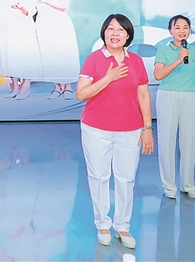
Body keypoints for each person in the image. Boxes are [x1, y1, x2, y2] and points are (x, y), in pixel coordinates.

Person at [76, 13, 153, 250]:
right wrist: (108, 78)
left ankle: (122, 226)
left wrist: (148, 127)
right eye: (111, 28)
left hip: (130, 129)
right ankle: (102, 224)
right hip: (95, 128)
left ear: (128, 35)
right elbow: (81, 94)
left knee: (126, 178)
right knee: (99, 176)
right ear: (104, 32)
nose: (115, 33)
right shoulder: (93, 59)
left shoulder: (136, 61)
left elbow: (143, 95)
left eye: (120, 29)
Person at [154, 15, 195, 200]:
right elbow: (158, 75)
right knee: (166, 141)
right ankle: (169, 186)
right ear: (170, 31)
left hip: (192, 97)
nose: (182, 31)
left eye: (185, 27)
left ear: (190, 30)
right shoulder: (163, 51)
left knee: (190, 141)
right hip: (168, 95)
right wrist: (178, 60)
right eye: (177, 27)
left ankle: (188, 185)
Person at [32, 0, 80, 99]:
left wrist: (46, 2)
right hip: (43, 26)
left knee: (64, 54)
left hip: (61, 25)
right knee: (49, 56)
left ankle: (68, 87)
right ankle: (57, 87)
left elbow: (63, 8)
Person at [0, 0, 42, 99]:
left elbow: (31, 11)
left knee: (25, 56)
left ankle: (25, 86)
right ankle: (15, 87)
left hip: (21, 30)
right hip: (4, 31)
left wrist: (21, 8)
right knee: (9, 57)